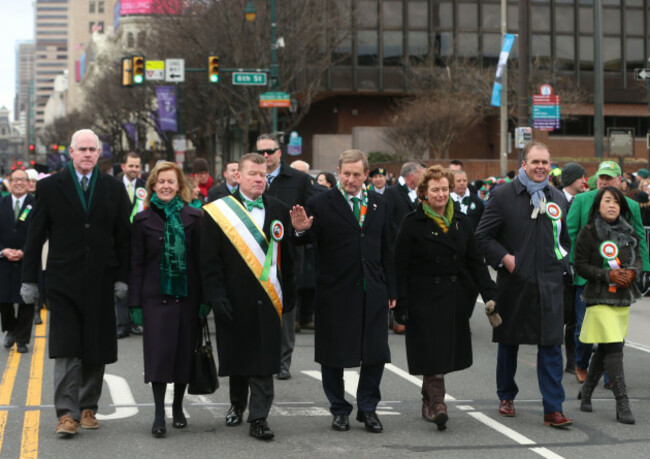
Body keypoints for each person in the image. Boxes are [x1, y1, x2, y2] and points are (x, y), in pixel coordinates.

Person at [21, 129, 131, 436]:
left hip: (101, 279)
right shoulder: (51, 187)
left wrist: (123, 278)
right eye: (81, 148)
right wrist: (29, 280)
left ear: (99, 153)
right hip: (62, 281)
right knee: (67, 347)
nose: (86, 154)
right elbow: (35, 236)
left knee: (95, 346)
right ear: (70, 152)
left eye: (92, 149)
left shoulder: (113, 188)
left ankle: (87, 408)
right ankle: (66, 414)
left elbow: (124, 238)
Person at [290, 149, 396, 434]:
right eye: (346, 173)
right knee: (333, 354)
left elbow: (388, 248)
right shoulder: (320, 203)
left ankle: (368, 408)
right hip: (335, 291)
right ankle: (339, 409)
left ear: (366, 175)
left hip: (372, 289)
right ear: (338, 172)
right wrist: (299, 230)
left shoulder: (379, 204)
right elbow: (304, 239)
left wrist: (392, 287)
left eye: (356, 174)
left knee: (375, 353)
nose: (351, 179)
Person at [475, 141, 573, 428]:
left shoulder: (556, 197)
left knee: (552, 346)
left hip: (550, 284)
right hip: (516, 284)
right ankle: (506, 395)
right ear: (524, 165)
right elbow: (483, 236)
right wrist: (505, 258)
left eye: (545, 162)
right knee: (509, 342)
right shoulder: (503, 196)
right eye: (535, 162)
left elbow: (564, 240)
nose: (541, 167)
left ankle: (553, 408)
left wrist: (562, 263)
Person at [393, 165, 496, 431]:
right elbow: (399, 265)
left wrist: (489, 294)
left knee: (442, 353)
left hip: (454, 297)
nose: (441, 194)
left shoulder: (461, 221)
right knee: (433, 351)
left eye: (444, 189)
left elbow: (475, 261)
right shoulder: (412, 223)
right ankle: (438, 403)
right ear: (424, 193)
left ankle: (429, 396)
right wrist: (400, 303)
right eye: (435, 189)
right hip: (422, 298)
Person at [201, 153, 295, 441]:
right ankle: (237, 404)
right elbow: (209, 260)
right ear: (237, 177)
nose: (259, 179)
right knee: (239, 354)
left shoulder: (279, 209)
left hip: (269, 297)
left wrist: (289, 293)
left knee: (265, 357)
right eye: (253, 174)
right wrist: (216, 295)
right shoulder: (217, 211)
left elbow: (288, 257)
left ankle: (259, 418)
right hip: (234, 297)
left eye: (263, 174)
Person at [129, 161, 204, 437]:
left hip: (187, 298)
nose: (165, 186)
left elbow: (200, 263)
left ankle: (178, 407)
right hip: (154, 298)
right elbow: (136, 264)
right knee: (159, 356)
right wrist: (134, 303)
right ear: (152, 186)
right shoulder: (141, 220)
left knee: (183, 354)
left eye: (171, 182)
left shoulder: (195, 218)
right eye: (160, 182)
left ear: (180, 186)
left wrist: (205, 298)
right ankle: (159, 412)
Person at [566, 161, 650, 384]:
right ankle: (581, 363)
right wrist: (573, 263)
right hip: (587, 277)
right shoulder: (582, 200)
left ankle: (610, 373)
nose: (604, 182)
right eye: (601, 178)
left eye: (609, 178)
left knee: (615, 328)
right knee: (584, 325)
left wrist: (643, 269)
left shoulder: (630, 205)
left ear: (619, 181)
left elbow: (638, 238)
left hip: (619, 278)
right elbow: (570, 234)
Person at [574, 187, 641, 424]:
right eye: (607, 201)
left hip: (621, 298)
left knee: (604, 349)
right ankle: (622, 403)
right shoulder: (588, 232)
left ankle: (586, 394)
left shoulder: (629, 232)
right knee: (614, 346)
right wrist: (607, 275)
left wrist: (632, 273)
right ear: (599, 205)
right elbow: (580, 265)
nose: (611, 205)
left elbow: (638, 258)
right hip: (598, 297)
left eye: (616, 202)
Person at [256, 133, 315, 380]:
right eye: (262, 152)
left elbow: (310, 213)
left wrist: (300, 229)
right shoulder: (252, 178)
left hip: (288, 253)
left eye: (270, 151)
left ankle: (283, 361)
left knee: (286, 309)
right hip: (255, 251)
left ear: (280, 152)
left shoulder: (299, 180)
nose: (266, 156)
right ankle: (259, 358)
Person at [383, 161, 424, 334]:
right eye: (422, 174)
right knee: (396, 280)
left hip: (415, 247)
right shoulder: (391, 192)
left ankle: (403, 316)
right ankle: (396, 318)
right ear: (412, 175)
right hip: (396, 245)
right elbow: (388, 220)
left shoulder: (417, 193)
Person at [0, 169, 35, 353]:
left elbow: (40, 233)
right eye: (15, 180)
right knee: (4, 300)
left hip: (26, 260)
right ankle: (10, 330)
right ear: (10, 182)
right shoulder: (2, 202)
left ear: (28, 183)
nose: (19, 183)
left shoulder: (35, 204)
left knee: (26, 300)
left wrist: (24, 251)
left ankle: (22, 338)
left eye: (23, 180)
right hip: (4, 261)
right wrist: (3, 250)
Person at [558, 162, 587, 375]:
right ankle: (551, 353)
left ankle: (573, 361)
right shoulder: (555, 200)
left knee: (576, 318)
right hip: (559, 268)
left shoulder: (586, 201)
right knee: (562, 315)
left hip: (579, 269)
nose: (584, 181)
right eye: (581, 177)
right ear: (571, 180)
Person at [116, 152, 146, 339]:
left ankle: (136, 321)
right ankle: (122, 323)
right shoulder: (113, 185)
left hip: (140, 242)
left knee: (137, 283)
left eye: (137, 166)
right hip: (119, 243)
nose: (134, 169)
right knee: (120, 286)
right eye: (131, 166)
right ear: (123, 167)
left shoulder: (145, 188)